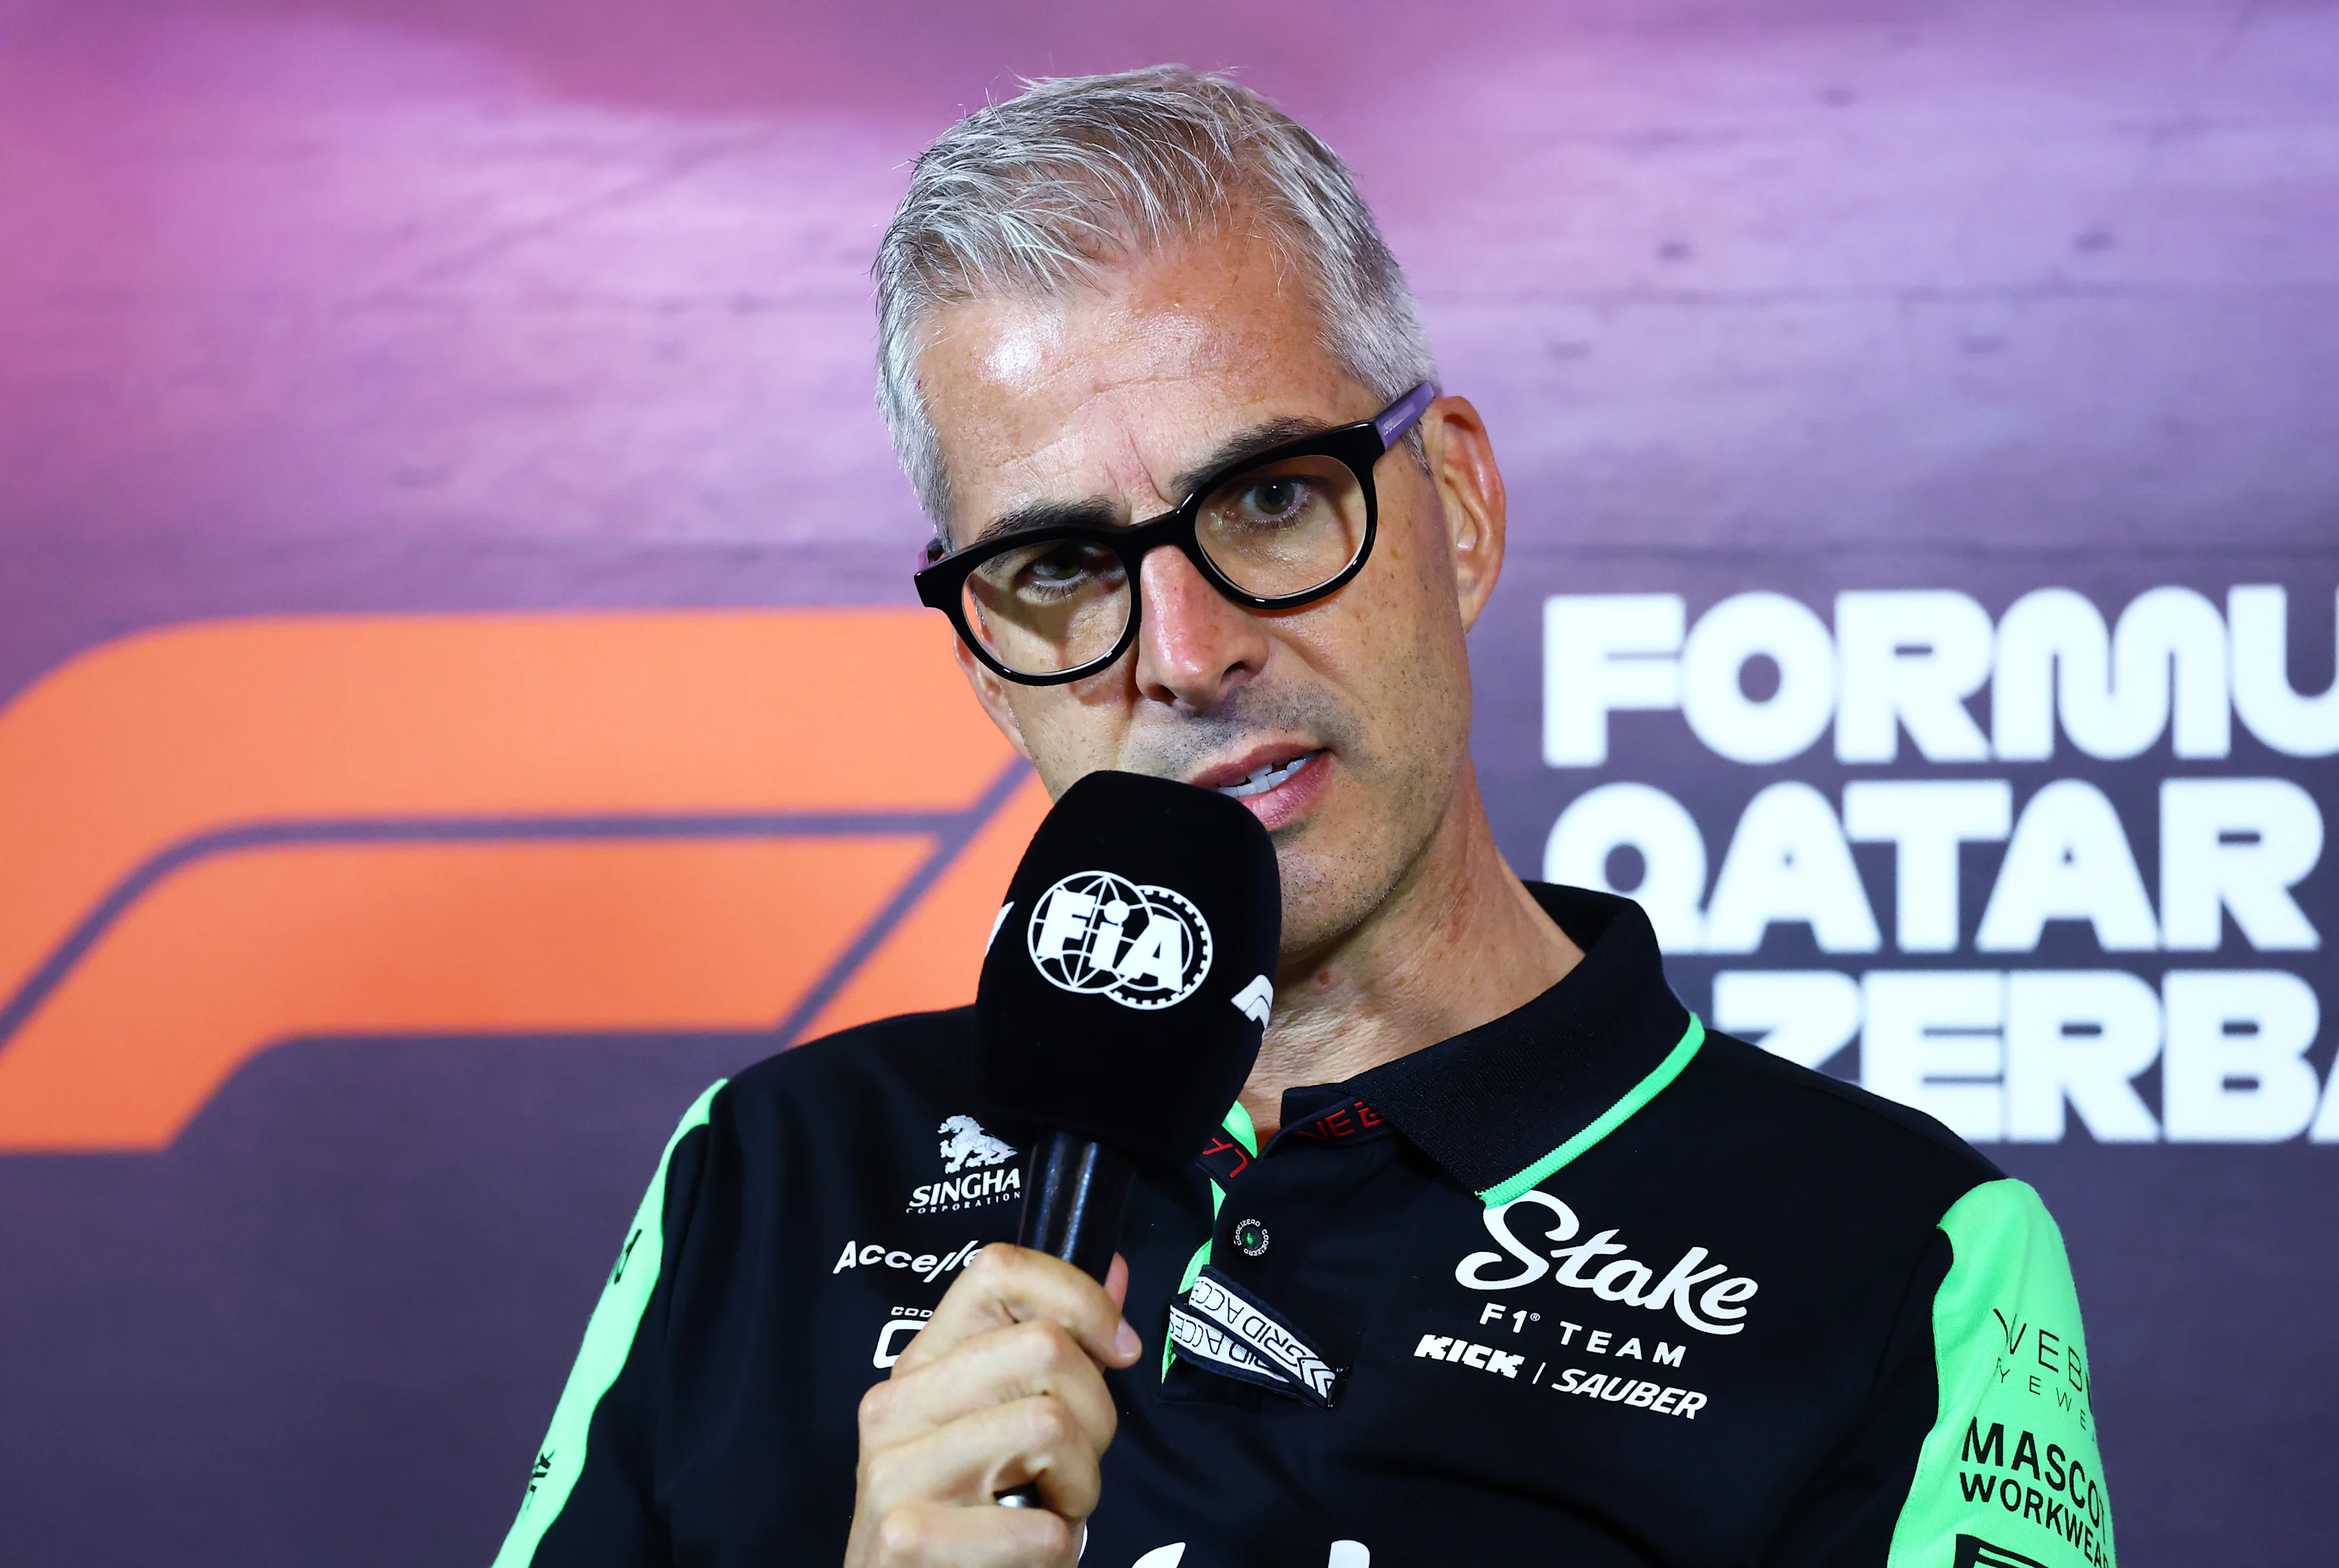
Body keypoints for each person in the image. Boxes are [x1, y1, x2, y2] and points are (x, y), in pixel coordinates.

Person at [494, 67, 2116, 1568]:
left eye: (1270, 499)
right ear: (990, 665)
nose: (1188, 654)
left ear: (1457, 507)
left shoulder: (1906, 1257)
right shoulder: (768, 1166)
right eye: (1063, 566)